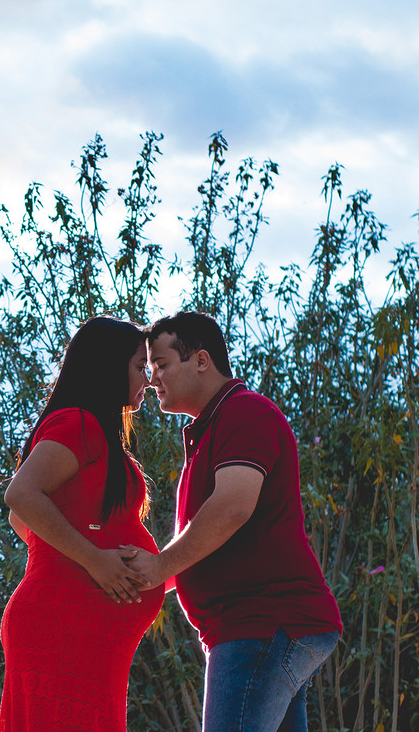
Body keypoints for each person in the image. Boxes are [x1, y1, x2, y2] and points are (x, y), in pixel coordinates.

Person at [123, 311, 342, 732]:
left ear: (201, 361)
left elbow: (233, 507)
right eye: (148, 370)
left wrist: (159, 568)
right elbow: (202, 544)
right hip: (255, 626)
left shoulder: (244, 413)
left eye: (162, 365)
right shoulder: (209, 430)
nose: (153, 379)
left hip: (263, 622)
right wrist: (138, 576)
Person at [0, 316, 164, 731]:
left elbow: (24, 520)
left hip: (83, 638)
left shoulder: (99, 435)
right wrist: (91, 560)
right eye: (139, 367)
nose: (147, 380)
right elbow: (20, 498)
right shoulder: (80, 423)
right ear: (109, 367)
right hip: (61, 633)